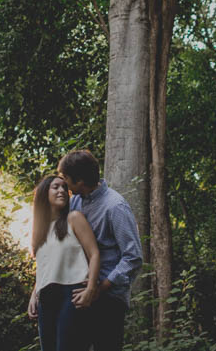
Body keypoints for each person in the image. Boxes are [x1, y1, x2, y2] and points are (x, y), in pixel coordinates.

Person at [58, 149, 143, 351]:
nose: (63, 183)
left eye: (65, 178)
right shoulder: (75, 202)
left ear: (79, 181)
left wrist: (99, 288)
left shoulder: (115, 206)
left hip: (108, 298)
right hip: (80, 293)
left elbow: (133, 257)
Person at [27, 175, 101, 351]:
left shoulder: (74, 218)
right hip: (45, 297)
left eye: (64, 187)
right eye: (55, 187)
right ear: (44, 193)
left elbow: (94, 254)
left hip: (72, 293)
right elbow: (47, 266)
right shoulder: (40, 231)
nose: (61, 191)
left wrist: (91, 289)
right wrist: (34, 294)